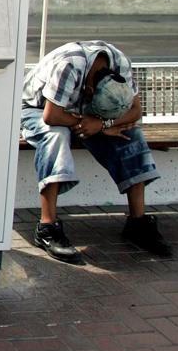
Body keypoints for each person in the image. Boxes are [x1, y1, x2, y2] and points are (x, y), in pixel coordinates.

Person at [21, 40, 170, 263]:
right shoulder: (69, 65)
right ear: (89, 90)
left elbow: (135, 110)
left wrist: (103, 124)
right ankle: (47, 227)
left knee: (133, 135)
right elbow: (51, 116)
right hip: (39, 109)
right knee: (56, 136)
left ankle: (137, 223)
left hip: (87, 114)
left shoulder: (120, 63)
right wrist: (90, 123)